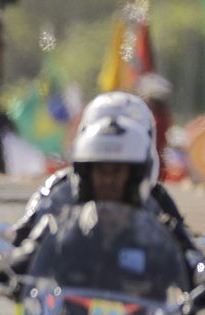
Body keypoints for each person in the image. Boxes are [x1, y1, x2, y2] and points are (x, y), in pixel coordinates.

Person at [10, 91, 197, 263]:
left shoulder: (158, 200)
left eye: (118, 169)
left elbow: (190, 254)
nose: (108, 180)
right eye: (100, 169)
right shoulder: (56, 190)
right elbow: (20, 240)